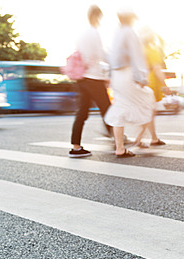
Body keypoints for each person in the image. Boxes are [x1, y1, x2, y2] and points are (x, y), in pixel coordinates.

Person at [104, 6, 154, 157]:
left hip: (116, 76)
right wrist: (142, 78)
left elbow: (110, 55)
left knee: (121, 107)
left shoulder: (116, 32)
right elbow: (136, 56)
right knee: (148, 97)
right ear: (131, 18)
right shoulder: (129, 32)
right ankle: (140, 136)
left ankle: (120, 147)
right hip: (126, 74)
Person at [68, 5, 109, 158]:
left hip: (81, 78)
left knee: (82, 112)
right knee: (108, 109)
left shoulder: (81, 34)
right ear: (97, 17)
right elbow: (100, 55)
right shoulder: (94, 33)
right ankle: (118, 140)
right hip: (93, 77)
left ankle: (76, 147)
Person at [131, 28, 167, 148]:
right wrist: (165, 85)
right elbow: (157, 69)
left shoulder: (138, 51)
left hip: (139, 83)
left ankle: (154, 138)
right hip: (151, 84)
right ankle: (138, 139)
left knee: (149, 112)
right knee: (149, 112)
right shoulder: (152, 51)